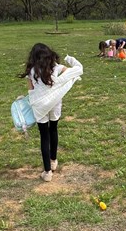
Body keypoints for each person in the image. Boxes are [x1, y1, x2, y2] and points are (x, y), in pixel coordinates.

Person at [20, 43, 83, 182]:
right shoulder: (55, 67)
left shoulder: (31, 71)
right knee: (53, 129)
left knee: (44, 136)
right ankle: (53, 160)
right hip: (55, 102)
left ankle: (47, 172)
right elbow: (68, 73)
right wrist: (59, 83)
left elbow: (31, 92)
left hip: (40, 106)